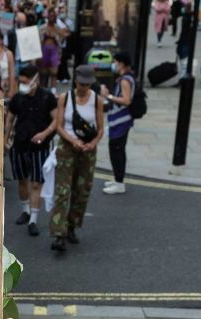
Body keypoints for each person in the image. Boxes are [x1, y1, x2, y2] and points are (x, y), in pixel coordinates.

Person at [50, 65, 103, 253]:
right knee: (63, 191)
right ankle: (59, 234)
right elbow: (59, 126)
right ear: (75, 81)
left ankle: (72, 226)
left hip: (88, 151)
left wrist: (92, 143)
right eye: (81, 83)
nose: (84, 87)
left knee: (82, 191)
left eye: (88, 84)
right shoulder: (65, 98)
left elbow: (101, 128)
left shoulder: (96, 100)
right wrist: (73, 141)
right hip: (67, 147)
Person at [7, 63, 58, 237]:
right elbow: (10, 119)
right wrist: (4, 140)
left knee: (36, 183)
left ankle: (33, 220)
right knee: (22, 180)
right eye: (20, 81)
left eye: (25, 81)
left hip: (40, 147)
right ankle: (25, 210)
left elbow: (56, 120)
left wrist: (45, 134)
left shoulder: (47, 97)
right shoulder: (17, 98)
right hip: (19, 145)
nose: (22, 84)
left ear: (35, 80)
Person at [99, 51, 136, 195]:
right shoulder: (125, 78)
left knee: (117, 151)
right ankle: (117, 179)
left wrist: (107, 95)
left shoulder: (125, 80)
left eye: (115, 62)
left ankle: (119, 184)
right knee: (117, 150)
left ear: (121, 63)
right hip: (119, 120)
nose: (113, 64)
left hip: (121, 121)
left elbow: (126, 101)